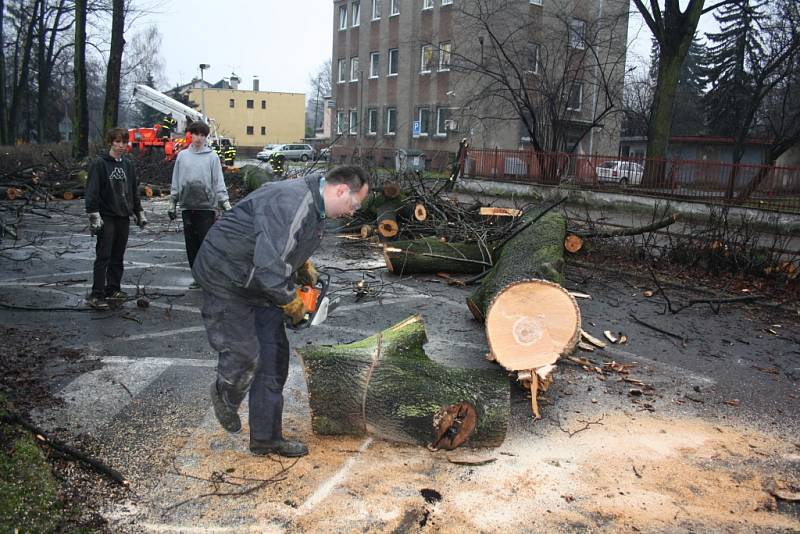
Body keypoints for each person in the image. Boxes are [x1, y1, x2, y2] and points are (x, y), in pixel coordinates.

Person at [192, 165, 370, 457]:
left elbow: (285, 243)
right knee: (245, 353)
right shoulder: (293, 202)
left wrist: (301, 266)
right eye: (353, 203)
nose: (352, 211)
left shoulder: (317, 206)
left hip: (259, 281)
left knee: (273, 358)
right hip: (227, 276)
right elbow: (270, 264)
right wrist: (291, 301)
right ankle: (225, 392)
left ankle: (266, 438)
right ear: (340, 190)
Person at [84, 128, 147, 309]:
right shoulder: (99, 164)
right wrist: (94, 215)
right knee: (103, 255)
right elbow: (92, 191)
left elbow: (133, 191)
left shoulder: (128, 165)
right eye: (117, 142)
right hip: (106, 216)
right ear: (111, 142)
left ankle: (113, 289)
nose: (121, 146)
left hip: (123, 216)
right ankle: (96, 294)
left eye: (124, 142)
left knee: (118, 255)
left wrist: (139, 212)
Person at [168, 121, 231, 287]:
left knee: (206, 244)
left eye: (203, 135)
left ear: (206, 137)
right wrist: (172, 202)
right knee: (191, 244)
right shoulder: (182, 156)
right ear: (191, 134)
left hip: (206, 208)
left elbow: (218, 181)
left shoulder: (212, 157)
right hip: (188, 206)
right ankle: (197, 276)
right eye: (196, 134)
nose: (199, 138)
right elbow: (176, 179)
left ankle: (207, 276)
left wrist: (224, 202)